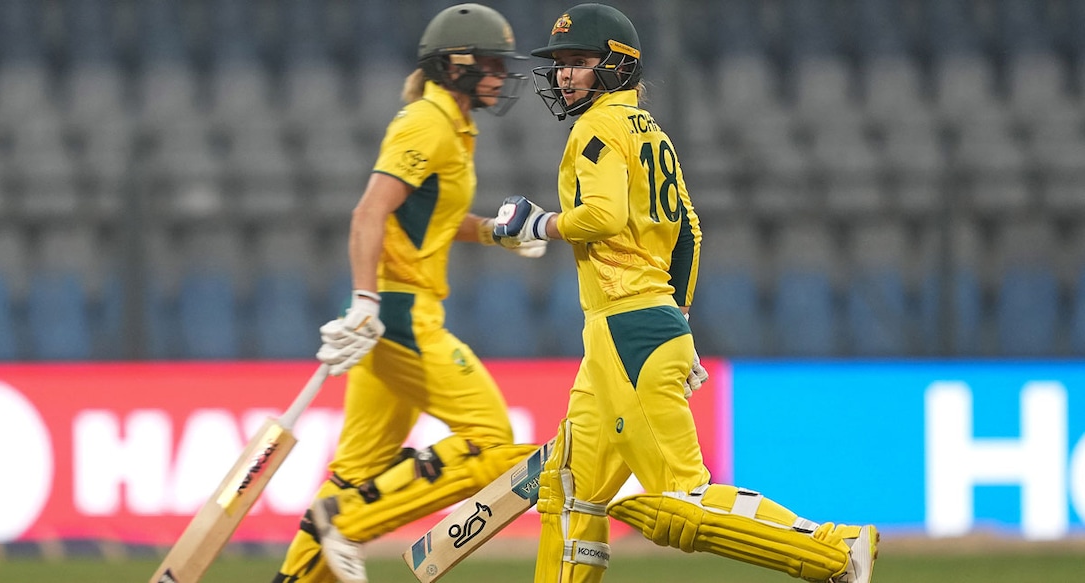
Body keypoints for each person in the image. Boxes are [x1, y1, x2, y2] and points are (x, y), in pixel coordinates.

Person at [492, 4, 879, 583]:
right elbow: (690, 231)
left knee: (680, 500)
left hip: (627, 331)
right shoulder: (652, 133)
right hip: (633, 331)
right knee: (570, 486)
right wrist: (677, 316)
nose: (565, 75)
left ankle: (833, 550)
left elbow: (599, 216)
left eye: (579, 62)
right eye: (561, 65)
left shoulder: (596, 129)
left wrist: (536, 223)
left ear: (616, 67)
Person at [272, 4, 545, 583]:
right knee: (490, 443)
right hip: (396, 313)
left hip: (392, 312)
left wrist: (497, 233)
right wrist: (367, 303)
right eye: (492, 62)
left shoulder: (455, 125)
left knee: (355, 469)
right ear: (456, 65)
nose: (502, 74)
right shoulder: (426, 122)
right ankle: (348, 520)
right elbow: (369, 211)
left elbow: (439, 218)